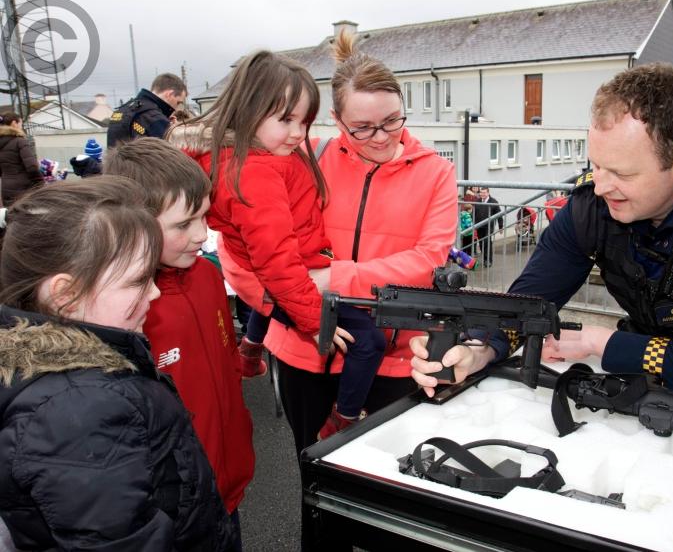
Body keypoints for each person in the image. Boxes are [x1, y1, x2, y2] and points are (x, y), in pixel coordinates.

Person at [411, 63, 673, 400]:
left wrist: (598, 342)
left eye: (621, 173)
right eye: (597, 166)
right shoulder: (595, 205)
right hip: (651, 373)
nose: (601, 186)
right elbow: (526, 303)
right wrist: (479, 348)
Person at [216, 32, 458, 456]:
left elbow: (427, 262)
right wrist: (286, 306)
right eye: (362, 128)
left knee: (386, 486)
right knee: (313, 476)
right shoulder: (302, 154)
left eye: (392, 121)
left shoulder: (436, 172)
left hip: (394, 359)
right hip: (302, 355)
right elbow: (242, 243)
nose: (381, 137)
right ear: (335, 119)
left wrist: (332, 278)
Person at [0, 177, 234, 550]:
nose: (155, 292)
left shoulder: (79, 384)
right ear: (66, 294)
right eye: (139, 281)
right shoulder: (78, 412)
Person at [169, 49, 390, 441]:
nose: (298, 133)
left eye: (304, 121)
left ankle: (252, 350)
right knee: (369, 341)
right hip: (295, 271)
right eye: (286, 120)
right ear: (249, 112)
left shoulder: (257, 153)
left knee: (270, 295)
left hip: (289, 268)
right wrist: (314, 316)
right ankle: (344, 419)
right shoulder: (256, 173)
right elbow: (276, 262)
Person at [104, 137, 255, 550]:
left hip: (225, 481)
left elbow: (226, 364)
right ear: (133, 223)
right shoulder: (122, 307)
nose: (202, 235)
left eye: (204, 218)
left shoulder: (207, 277)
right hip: (170, 509)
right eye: (183, 225)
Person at [107, 73, 187, 148]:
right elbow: (173, 156)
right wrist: (172, 129)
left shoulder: (123, 110)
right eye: (178, 102)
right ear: (170, 94)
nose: (176, 108)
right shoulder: (155, 119)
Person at [0, 113, 43, 207]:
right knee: (28, 218)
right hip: (24, 188)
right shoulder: (19, 141)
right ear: (14, 123)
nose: (21, 127)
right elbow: (32, 167)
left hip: (6, 187)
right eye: (21, 123)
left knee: (12, 217)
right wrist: (41, 183)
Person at [473, 186, 503, 267]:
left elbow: (499, 215)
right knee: (481, 243)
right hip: (479, 226)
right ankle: (485, 259)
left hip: (489, 227)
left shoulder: (493, 202)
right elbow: (474, 214)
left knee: (487, 242)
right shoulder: (477, 201)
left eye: (484, 192)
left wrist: (501, 226)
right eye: (481, 192)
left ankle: (489, 260)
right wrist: (473, 225)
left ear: (488, 193)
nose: (482, 194)